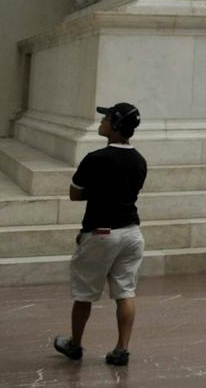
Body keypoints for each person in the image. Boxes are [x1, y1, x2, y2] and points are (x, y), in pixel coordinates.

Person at [52, 103, 148, 368]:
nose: (101, 121)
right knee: (125, 291)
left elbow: (75, 194)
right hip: (131, 233)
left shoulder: (95, 159)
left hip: (101, 233)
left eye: (106, 118)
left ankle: (75, 345)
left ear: (115, 126)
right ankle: (121, 349)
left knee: (84, 294)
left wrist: (98, 193)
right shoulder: (140, 161)